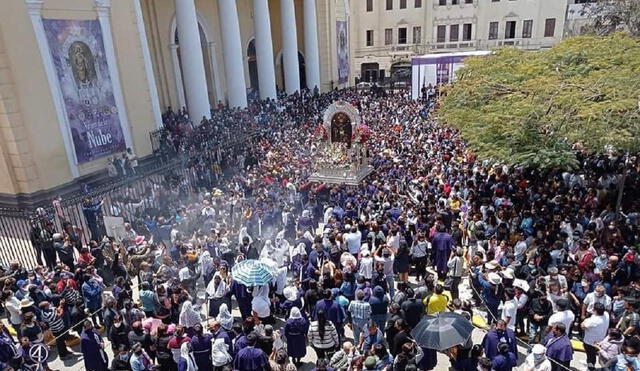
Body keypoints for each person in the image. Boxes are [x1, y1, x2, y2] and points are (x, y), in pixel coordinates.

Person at [581, 302, 610, 371]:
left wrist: (585, 320)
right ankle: (588, 361)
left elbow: (582, 326)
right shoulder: (606, 314)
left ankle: (590, 367)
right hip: (600, 339)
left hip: (590, 342)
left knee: (591, 355)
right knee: (591, 354)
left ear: (595, 310)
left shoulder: (593, 320)